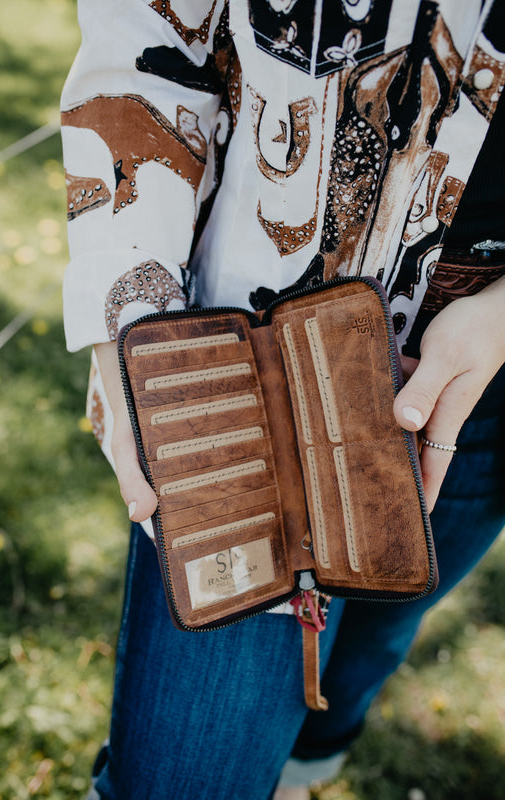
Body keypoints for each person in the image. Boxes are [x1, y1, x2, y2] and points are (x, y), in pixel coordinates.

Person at [60, 2, 505, 798]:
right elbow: (144, 48)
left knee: (380, 627)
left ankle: (304, 770)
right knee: (185, 775)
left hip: (486, 384)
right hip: (254, 371)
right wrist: (130, 318)